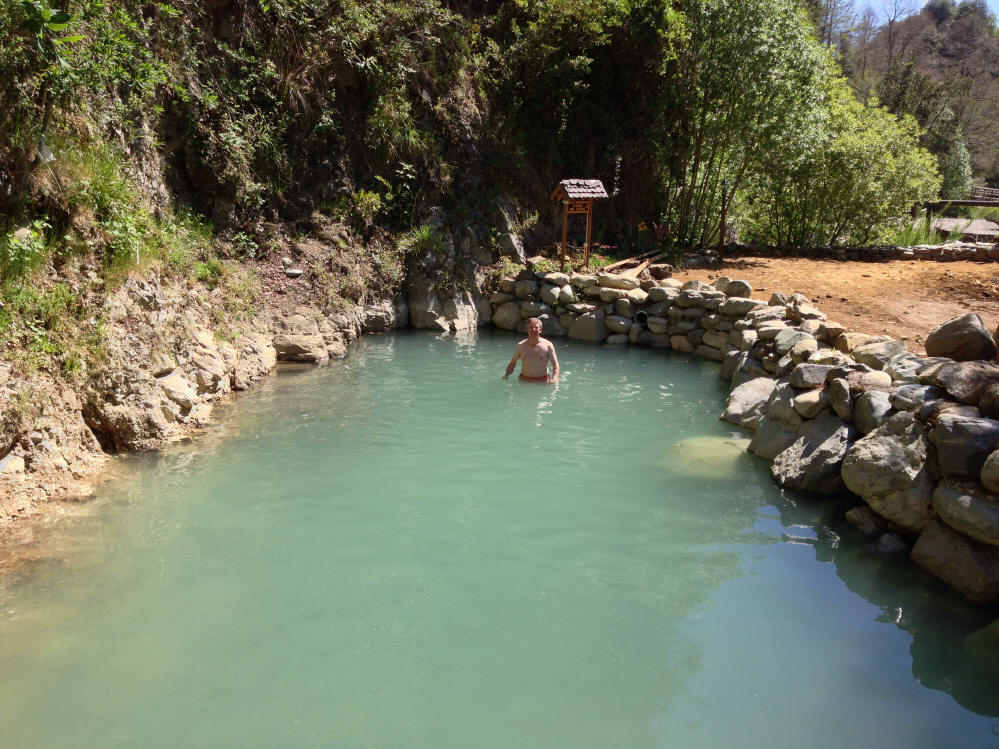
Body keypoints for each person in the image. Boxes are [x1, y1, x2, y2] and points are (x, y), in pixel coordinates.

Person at [503, 317, 560, 383]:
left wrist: (555, 378)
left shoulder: (548, 345)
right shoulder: (521, 345)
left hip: (542, 380)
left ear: (540, 330)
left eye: (536, 327)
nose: (533, 329)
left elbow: (555, 365)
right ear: (527, 329)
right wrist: (506, 375)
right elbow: (513, 363)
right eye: (530, 327)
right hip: (524, 380)